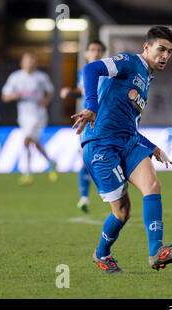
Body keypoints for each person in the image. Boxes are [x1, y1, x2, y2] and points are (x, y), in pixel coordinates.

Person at [71, 26, 172, 273]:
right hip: (101, 143)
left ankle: (156, 252)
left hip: (127, 142)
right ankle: (102, 254)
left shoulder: (146, 78)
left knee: (153, 185)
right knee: (122, 212)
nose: (165, 56)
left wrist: (153, 147)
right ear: (146, 47)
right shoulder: (128, 62)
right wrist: (91, 105)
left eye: (169, 51)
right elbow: (91, 69)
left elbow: (128, 124)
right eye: (161, 49)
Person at [61, 40, 107, 213]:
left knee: (103, 159)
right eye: (92, 50)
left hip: (106, 121)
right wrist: (71, 92)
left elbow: (86, 92)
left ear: (102, 53)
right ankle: (84, 198)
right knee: (85, 160)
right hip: (87, 121)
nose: (95, 53)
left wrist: (70, 92)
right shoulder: (84, 72)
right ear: (87, 53)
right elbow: (84, 91)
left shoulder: (107, 72)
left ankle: (112, 193)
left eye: (99, 50)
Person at [1, 52, 57, 185]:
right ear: (22, 63)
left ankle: (27, 174)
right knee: (35, 143)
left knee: (26, 140)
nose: (30, 63)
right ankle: (51, 162)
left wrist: (45, 101)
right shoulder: (15, 77)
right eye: (28, 61)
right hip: (23, 114)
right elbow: (5, 96)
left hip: (38, 114)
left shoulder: (41, 77)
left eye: (32, 61)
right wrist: (13, 96)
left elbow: (50, 91)